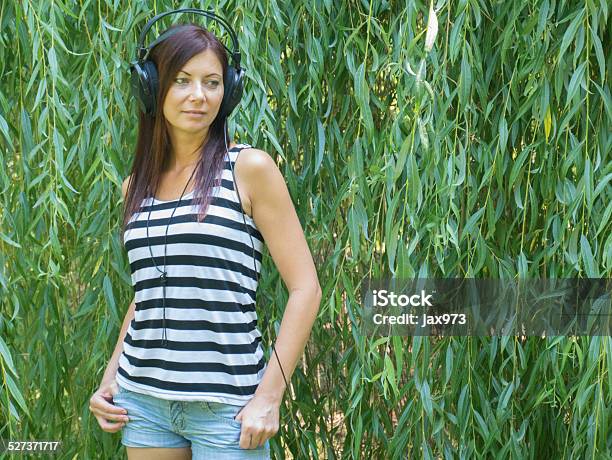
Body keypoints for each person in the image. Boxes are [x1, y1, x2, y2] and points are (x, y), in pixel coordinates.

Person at [88, 21, 322, 460]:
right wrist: (113, 374)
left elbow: (306, 289)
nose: (199, 95)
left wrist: (269, 397)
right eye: (181, 80)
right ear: (151, 87)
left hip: (226, 408)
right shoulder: (135, 185)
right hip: (144, 402)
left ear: (227, 92)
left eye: (212, 82)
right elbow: (149, 291)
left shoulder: (249, 169)